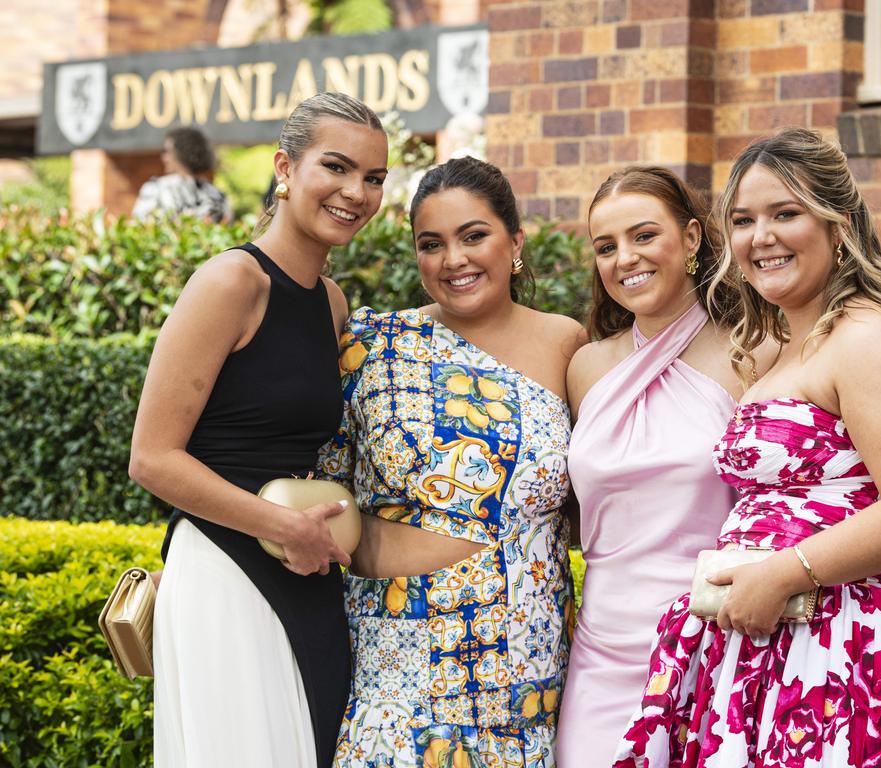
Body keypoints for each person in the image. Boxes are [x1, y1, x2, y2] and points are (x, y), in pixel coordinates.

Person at [614, 127, 881, 767]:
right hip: (758, 650)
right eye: (743, 220)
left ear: (840, 224)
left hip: (841, 652)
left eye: (786, 213)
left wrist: (782, 573)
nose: (760, 237)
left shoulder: (869, 338)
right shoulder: (773, 352)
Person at [128, 92, 388, 768]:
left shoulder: (331, 302)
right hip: (226, 568)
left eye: (374, 177)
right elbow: (153, 458)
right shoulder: (231, 282)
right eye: (336, 167)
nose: (356, 192)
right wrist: (281, 528)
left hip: (305, 567)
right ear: (284, 167)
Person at [316, 156, 585, 767]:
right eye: (431, 244)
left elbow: (604, 495)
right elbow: (319, 490)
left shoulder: (566, 344)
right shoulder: (373, 346)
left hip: (526, 670)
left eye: (474, 236)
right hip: (396, 664)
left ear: (515, 241)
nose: (453, 260)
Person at [556, 167, 750, 766]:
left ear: (692, 239)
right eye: (606, 247)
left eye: (644, 236)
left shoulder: (752, 353)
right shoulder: (586, 366)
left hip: (710, 641)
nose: (624, 259)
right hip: (599, 649)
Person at [132, 126, 231, 221]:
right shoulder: (217, 195)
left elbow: (139, 226)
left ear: (181, 153)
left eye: (166, 151)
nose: (164, 157)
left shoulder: (156, 189)